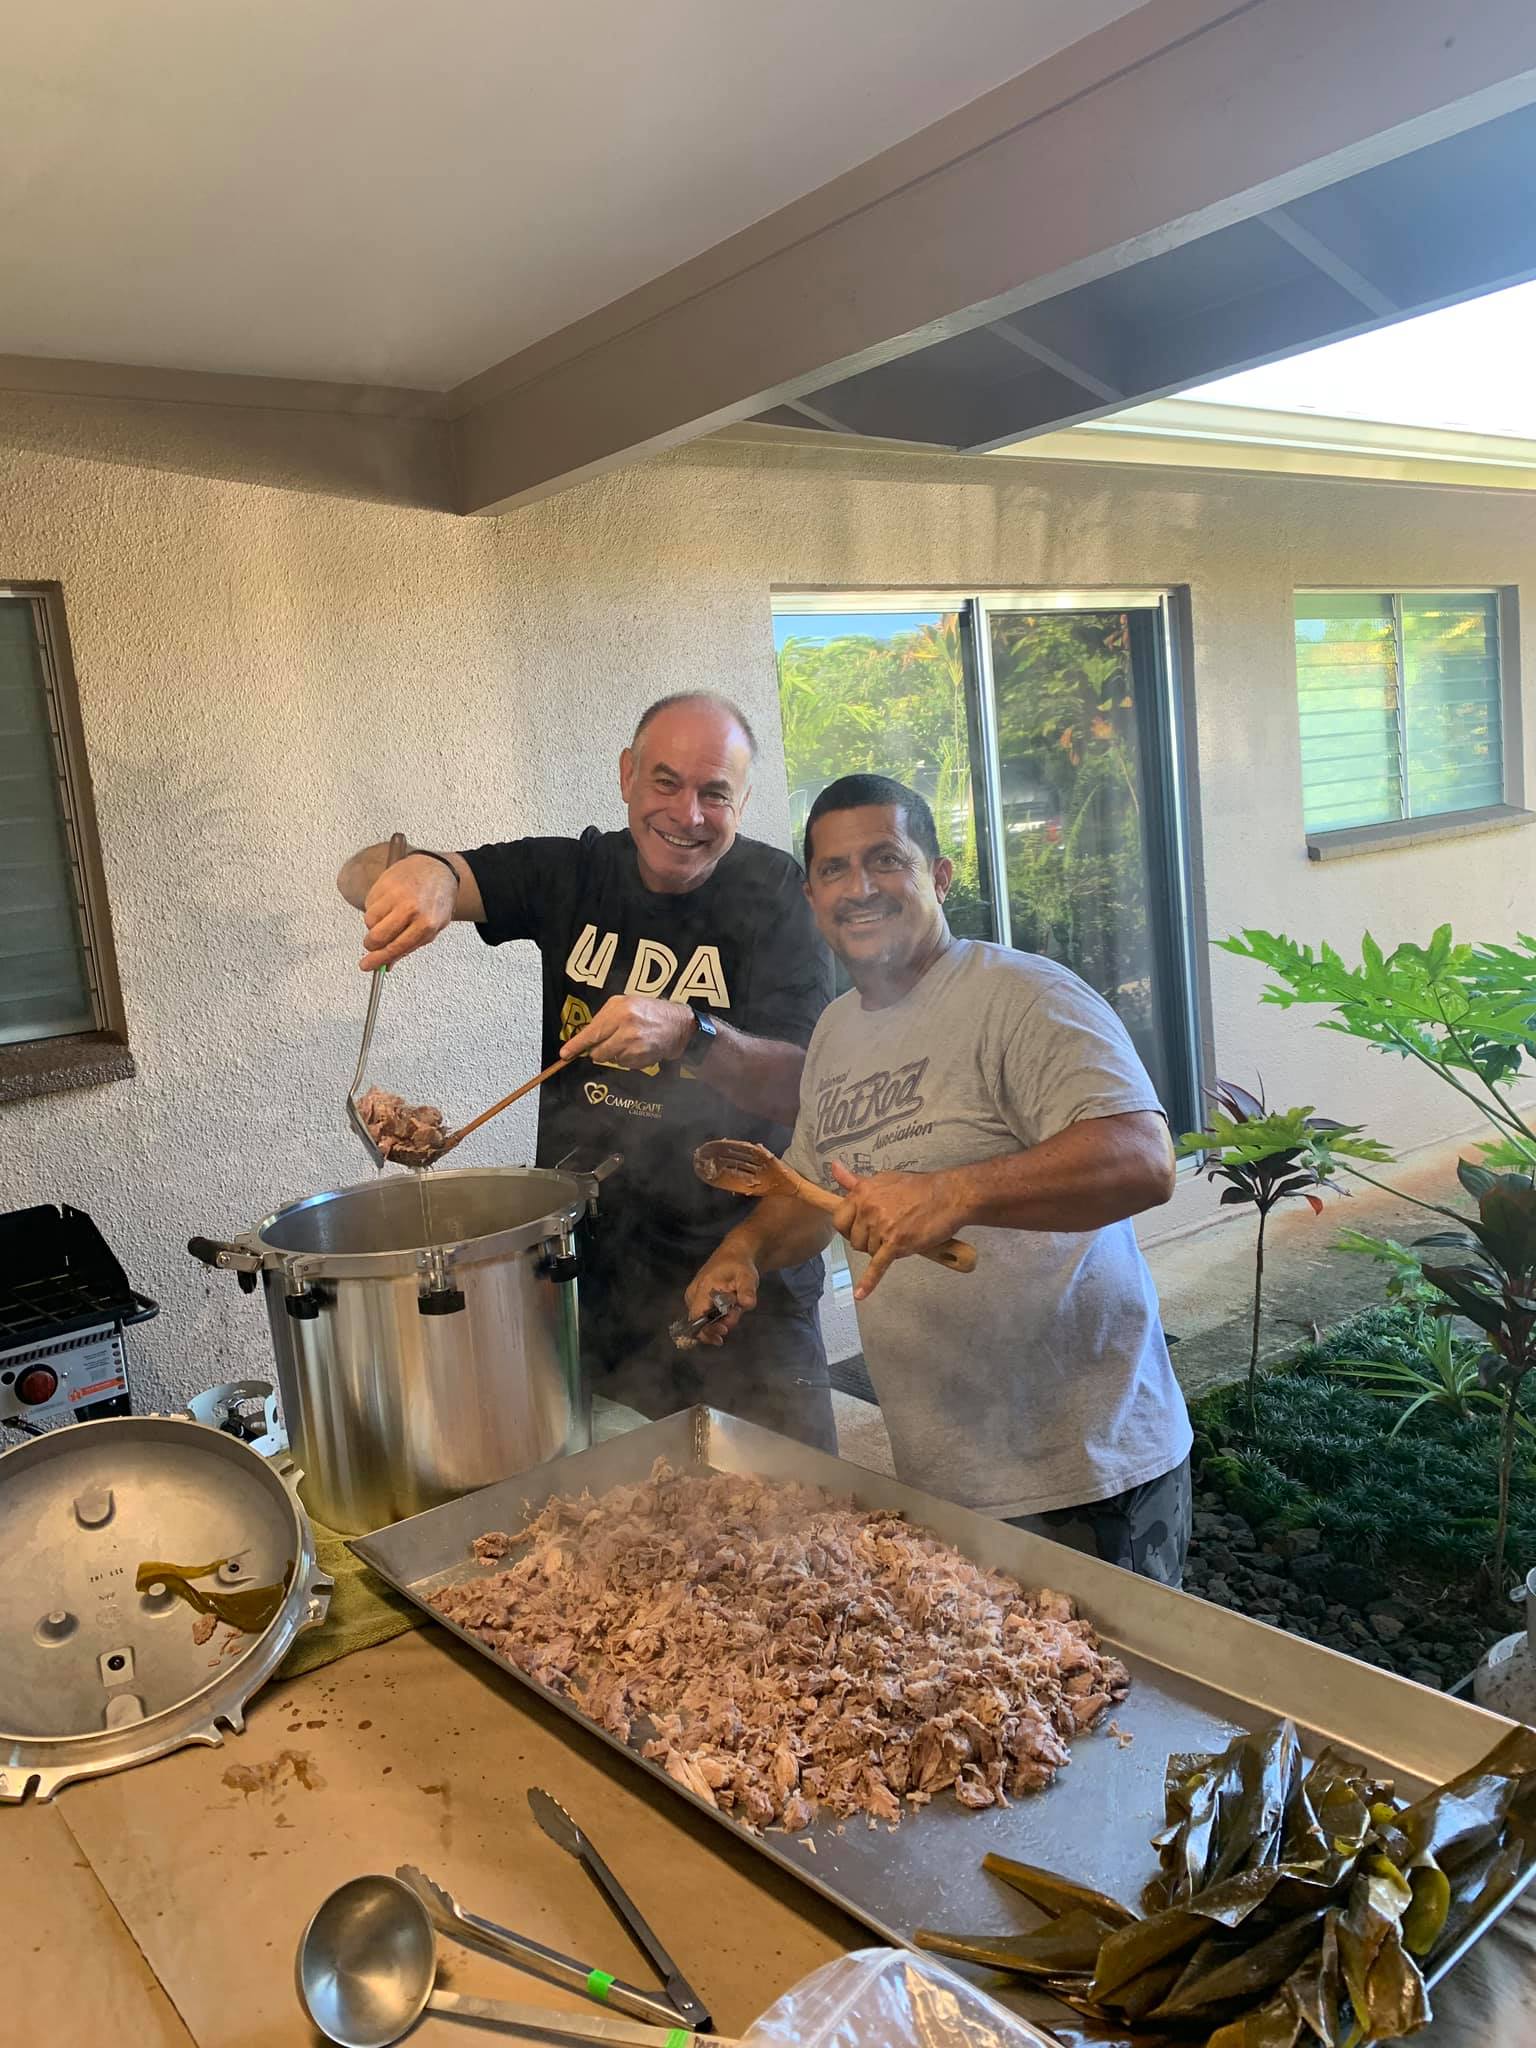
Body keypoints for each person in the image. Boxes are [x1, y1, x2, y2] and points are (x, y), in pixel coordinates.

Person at [683, 771, 1193, 1582]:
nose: (859, 889)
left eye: (885, 860)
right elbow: (815, 1194)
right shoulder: (838, 1030)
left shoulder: (1020, 995)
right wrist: (745, 1248)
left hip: (1085, 1476)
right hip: (944, 1478)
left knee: (1104, 1704)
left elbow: (1143, 1158)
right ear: (812, 895)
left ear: (940, 875)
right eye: (833, 870)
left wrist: (952, 1190)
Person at [336, 693, 836, 1449]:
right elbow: (372, 879)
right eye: (665, 783)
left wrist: (689, 1033)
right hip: (588, 1280)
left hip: (740, 1280)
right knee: (610, 1518)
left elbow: (805, 1087)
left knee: (794, 1524)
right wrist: (429, 873)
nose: (687, 814)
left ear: (744, 801)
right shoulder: (574, 872)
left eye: (714, 794)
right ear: (627, 775)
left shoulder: (776, 899)